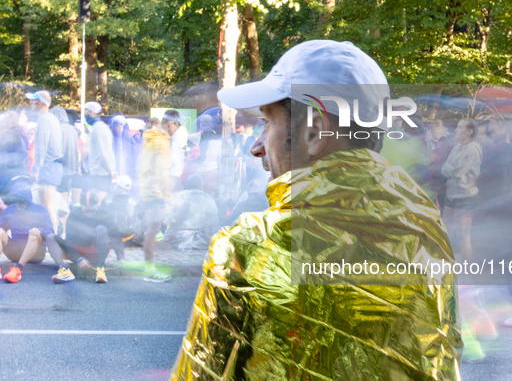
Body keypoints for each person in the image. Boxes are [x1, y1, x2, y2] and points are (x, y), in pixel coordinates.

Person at [170, 40, 461, 380]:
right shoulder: (426, 234)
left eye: (267, 123)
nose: (257, 147)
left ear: (313, 133)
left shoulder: (245, 250)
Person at [0, 182, 74, 283]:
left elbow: (50, 233)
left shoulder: (41, 210)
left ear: (28, 200)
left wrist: (40, 230)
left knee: (34, 233)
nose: (18, 205)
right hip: (15, 252)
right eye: (15, 202)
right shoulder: (8, 211)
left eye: (21, 202)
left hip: (36, 254)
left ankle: (17, 269)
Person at [138, 114, 179, 282]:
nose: (177, 131)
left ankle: (149, 268)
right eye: (178, 126)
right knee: (153, 230)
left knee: (151, 230)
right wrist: (167, 196)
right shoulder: (162, 142)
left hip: (146, 188)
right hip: (155, 192)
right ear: (171, 123)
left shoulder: (149, 136)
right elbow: (161, 172)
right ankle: (150, 270)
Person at [440, 118, 482, 262]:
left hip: (465, 197)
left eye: (460, 127)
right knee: (444, 233)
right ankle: (442, 269)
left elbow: (457, 172)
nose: (456, 130)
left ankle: (468, 276)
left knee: (463, 237)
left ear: (469, 132)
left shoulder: (472, 149)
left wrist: (451, 169)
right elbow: (444, 167)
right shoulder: (457, 147)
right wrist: (451, 168)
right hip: (452, 195)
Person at [54, 192, 118, 283]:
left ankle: (100, 269)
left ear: (97, 204)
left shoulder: (105, 214)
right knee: (52, 237)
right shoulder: (74, 214)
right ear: (81, 206)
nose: (89, 214)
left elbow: (116, 235)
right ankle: (65, 270)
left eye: (92, 210)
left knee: (101, 229)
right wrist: (78, 258)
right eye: (86, 211)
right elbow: (69, 239)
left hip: (96, 251)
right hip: (79, 249)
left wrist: (121, 258)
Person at [26, 90, 63, 234]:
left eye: (33, 101)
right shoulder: (52, 118)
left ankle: (52, 240)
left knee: (47, 206)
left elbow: (41, 148)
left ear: (40, 103)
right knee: (46, 205)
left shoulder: (44, 120)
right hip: (54, 166)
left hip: (48, 167)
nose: (30, 103)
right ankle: (48, 239)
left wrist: (36, 170)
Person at [163, 175, 218, 251]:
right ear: (199, 186)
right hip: (203, 241)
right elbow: (214, 222)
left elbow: (172, 220)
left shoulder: (179, 197)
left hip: (180, 240)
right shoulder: (208, 198)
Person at [87, 103, 117, 204]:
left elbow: (102, 152)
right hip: (103, 171)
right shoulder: (102, 127)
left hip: (100, 172)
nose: (84, 114)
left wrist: (111, 170)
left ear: (91, 113)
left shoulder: (97, 128)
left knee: (98, 202)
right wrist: (112, 169)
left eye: (86, 111)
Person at [52, 106, 79, 204]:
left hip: (62, 168)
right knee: (70, 198)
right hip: (73, 168)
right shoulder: (73, 129)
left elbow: (57, 150)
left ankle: (61, 218)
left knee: (61, 198)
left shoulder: (59, 128)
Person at [109, 114, 141, 196]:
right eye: (116, 125)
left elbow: (134, 156)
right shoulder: (109, 139)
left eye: (121, 125)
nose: (119, 127)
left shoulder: (129, 141)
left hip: (126, 173)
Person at [192, 114, 222, 196]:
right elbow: (219, 156)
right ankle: (211, 207)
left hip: (203, 169)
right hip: (214, 169)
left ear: (201, 123)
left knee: (202, 193)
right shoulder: (218, 138)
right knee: (211, 192)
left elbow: (189, 139)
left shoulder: (198, 136)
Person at [0, 111, 27, 196]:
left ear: (10, 122)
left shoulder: (10, 136)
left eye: (5, 119)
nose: (2, 121)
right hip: (12, 175)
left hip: (7, 176)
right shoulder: (14, 134)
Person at [166, 110, 188, 193]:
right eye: (177, 126)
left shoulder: (172, 141)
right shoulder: (161, 140)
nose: (177, 129)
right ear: (171, 124)